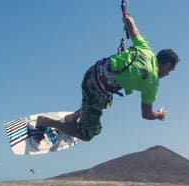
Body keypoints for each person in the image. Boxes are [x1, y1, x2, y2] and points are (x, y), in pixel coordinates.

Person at [34, 12, 178, 143]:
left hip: (91, 73)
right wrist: (159, 115)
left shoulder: (146, 50)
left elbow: (132, 27)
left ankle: (72, 118)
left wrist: (128, 18)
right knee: (87, 134)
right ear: (166, 64)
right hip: (97, 89)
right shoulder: (153, 83)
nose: (168, 74)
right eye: (170, 70)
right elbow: (146, 114)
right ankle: (45, 122)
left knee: (105, 100)